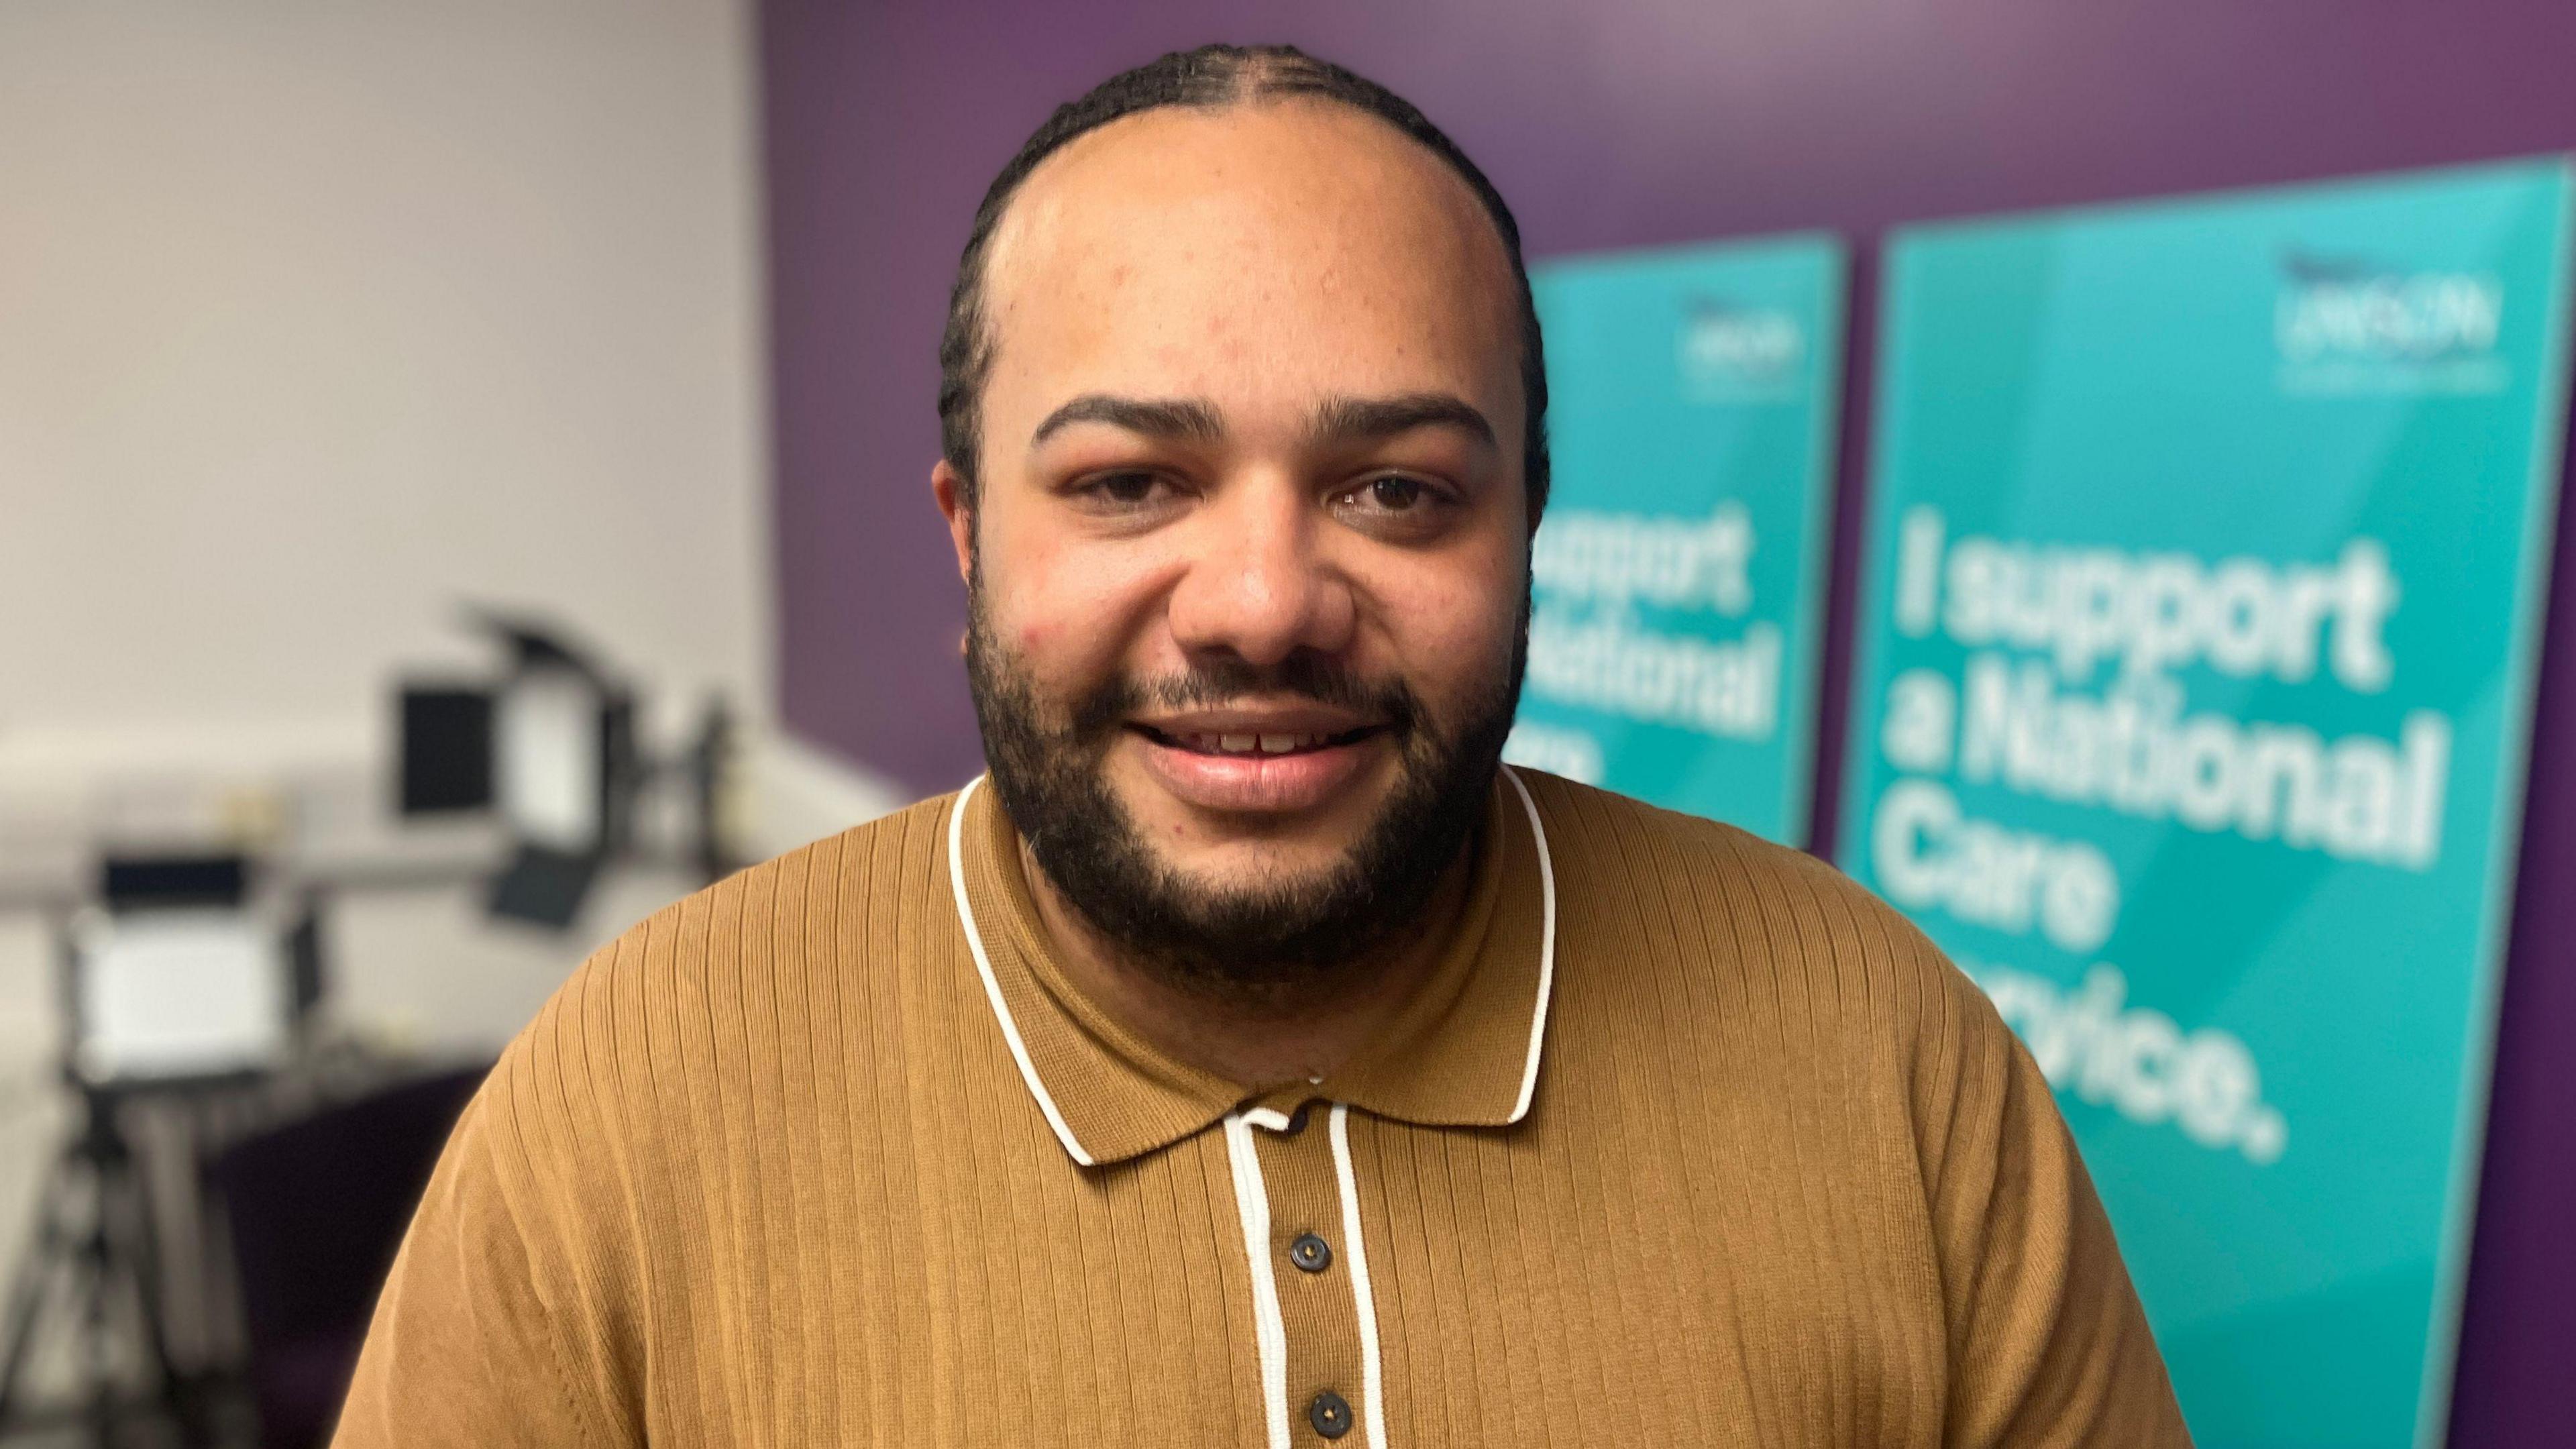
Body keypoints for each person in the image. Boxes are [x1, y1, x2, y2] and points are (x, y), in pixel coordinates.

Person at [337, 43, 2190, 1447]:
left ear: (1524, 525)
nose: (1260, 603)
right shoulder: (625, 1107)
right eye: (1132, 481)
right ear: (971, 531)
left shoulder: (1885, 1057)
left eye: (1395, 487)